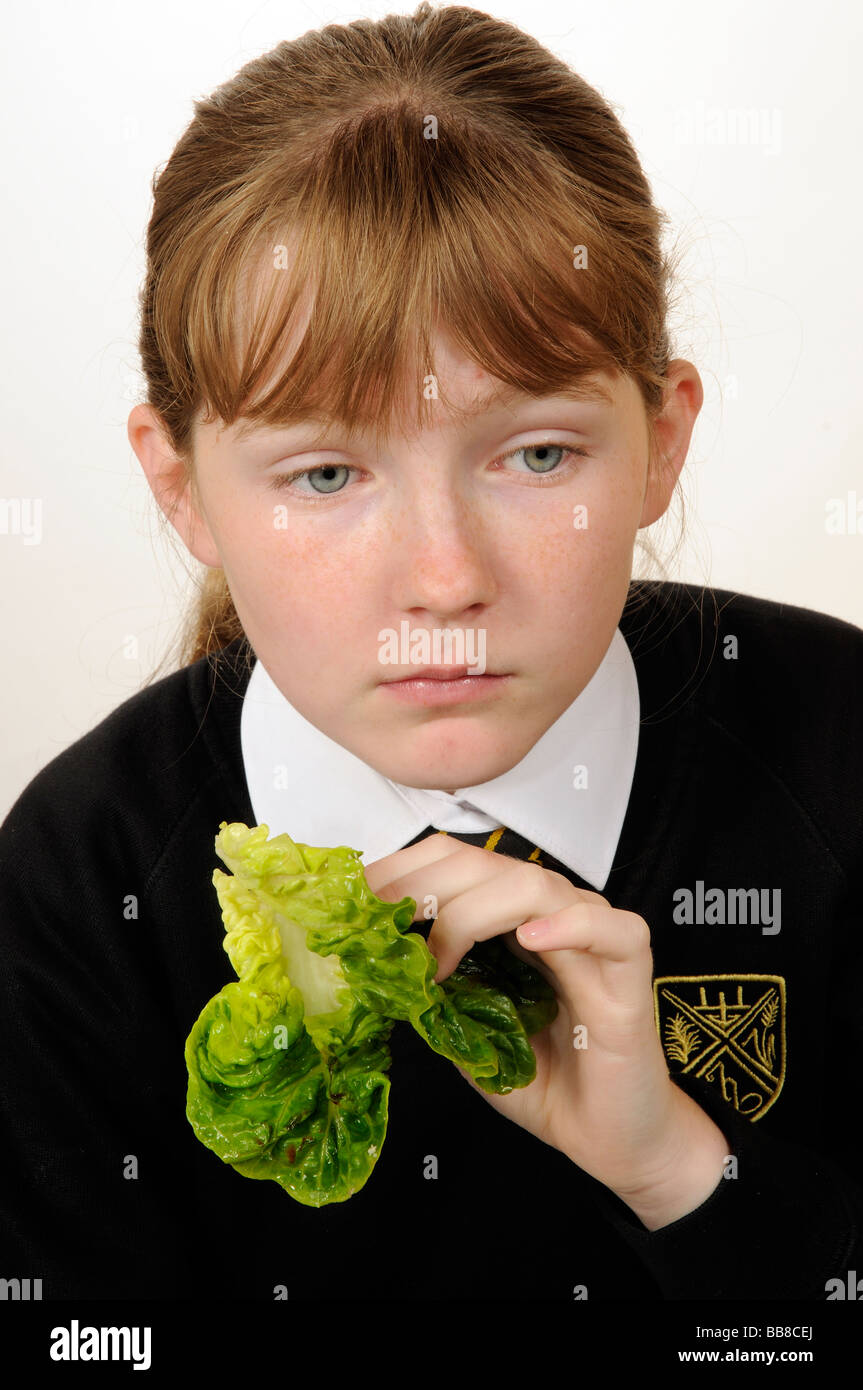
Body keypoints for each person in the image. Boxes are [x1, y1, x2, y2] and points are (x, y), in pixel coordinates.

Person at [1, 1, 861, 1302]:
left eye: (536, 455)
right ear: (181, 488)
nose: (446, 579)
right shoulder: (78, 885)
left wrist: (687, 1172)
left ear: (663, 440)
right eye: (329, 471)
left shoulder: (843, 752)